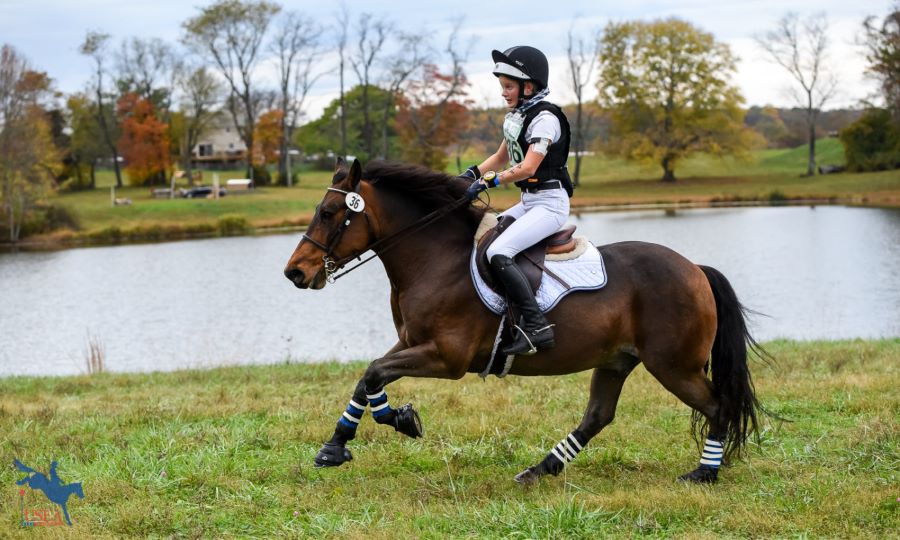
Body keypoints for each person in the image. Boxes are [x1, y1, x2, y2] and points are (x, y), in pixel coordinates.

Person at [462, 45, 573, 356]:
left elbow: (528, 167)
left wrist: (491, 182)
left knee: (499, 252)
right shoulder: (518, 116)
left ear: (529, 86)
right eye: (502, 87)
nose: (504, 93)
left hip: (550, 204)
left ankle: (537, 326)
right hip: (528, 201)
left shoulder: (545, 119)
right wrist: (469, 175)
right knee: (484, 240)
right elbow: (500, 156)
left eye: (508, 87)